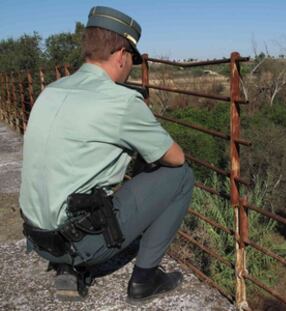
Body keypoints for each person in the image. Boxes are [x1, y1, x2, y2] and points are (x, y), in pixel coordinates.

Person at [19, 6, 194, 304]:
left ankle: (69, 269)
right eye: (133, 60)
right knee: (182, 176)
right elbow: (175, 158)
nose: (131, 67)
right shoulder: (121, 101)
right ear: (122, 54)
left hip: (38, 239)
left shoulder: (51, 91)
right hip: (79, 242)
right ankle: (145, 280)